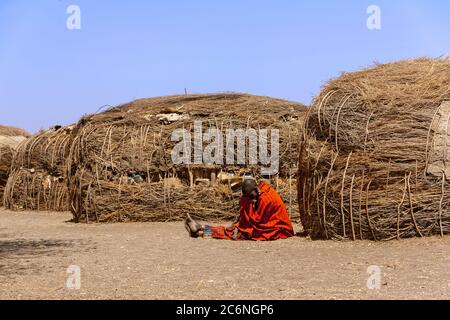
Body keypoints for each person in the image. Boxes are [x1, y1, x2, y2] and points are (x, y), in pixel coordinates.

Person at [184, 178, 294, 241]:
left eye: (252, 196)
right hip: (259, 227)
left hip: (277, 229)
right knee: (231, 231)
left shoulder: (268, 198)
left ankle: (200, 231)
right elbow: (247, 212)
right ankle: (200, 229)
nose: (251, 200)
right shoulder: (252, 196)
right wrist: (240, 223)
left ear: (257, 189)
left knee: (231, 233)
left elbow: (259, 220)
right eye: (248, 197)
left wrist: (241, 226)